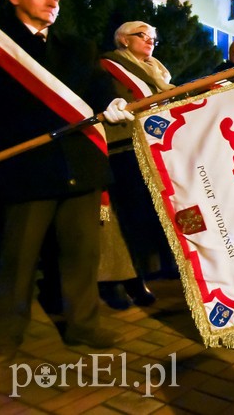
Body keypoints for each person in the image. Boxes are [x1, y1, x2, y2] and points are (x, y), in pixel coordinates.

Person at [0, 0, 133, 366]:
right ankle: (5, 336)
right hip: (27, 168)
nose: (53, 1)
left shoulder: (76, 46)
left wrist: (112, 103)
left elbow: (98, 87)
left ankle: (83, 326)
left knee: (81, 254)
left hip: (81, 164)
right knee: (17, 258)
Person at [99, 21, 175, 308]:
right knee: (133, 213)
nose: (149, 40)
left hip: (155, 146)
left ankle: (157, 266)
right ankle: (132, 276)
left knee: (157, 211)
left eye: (153, 36)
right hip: (125, 146)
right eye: (141, 35)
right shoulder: (109, 65)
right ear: (123, 40)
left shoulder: (157, 69)